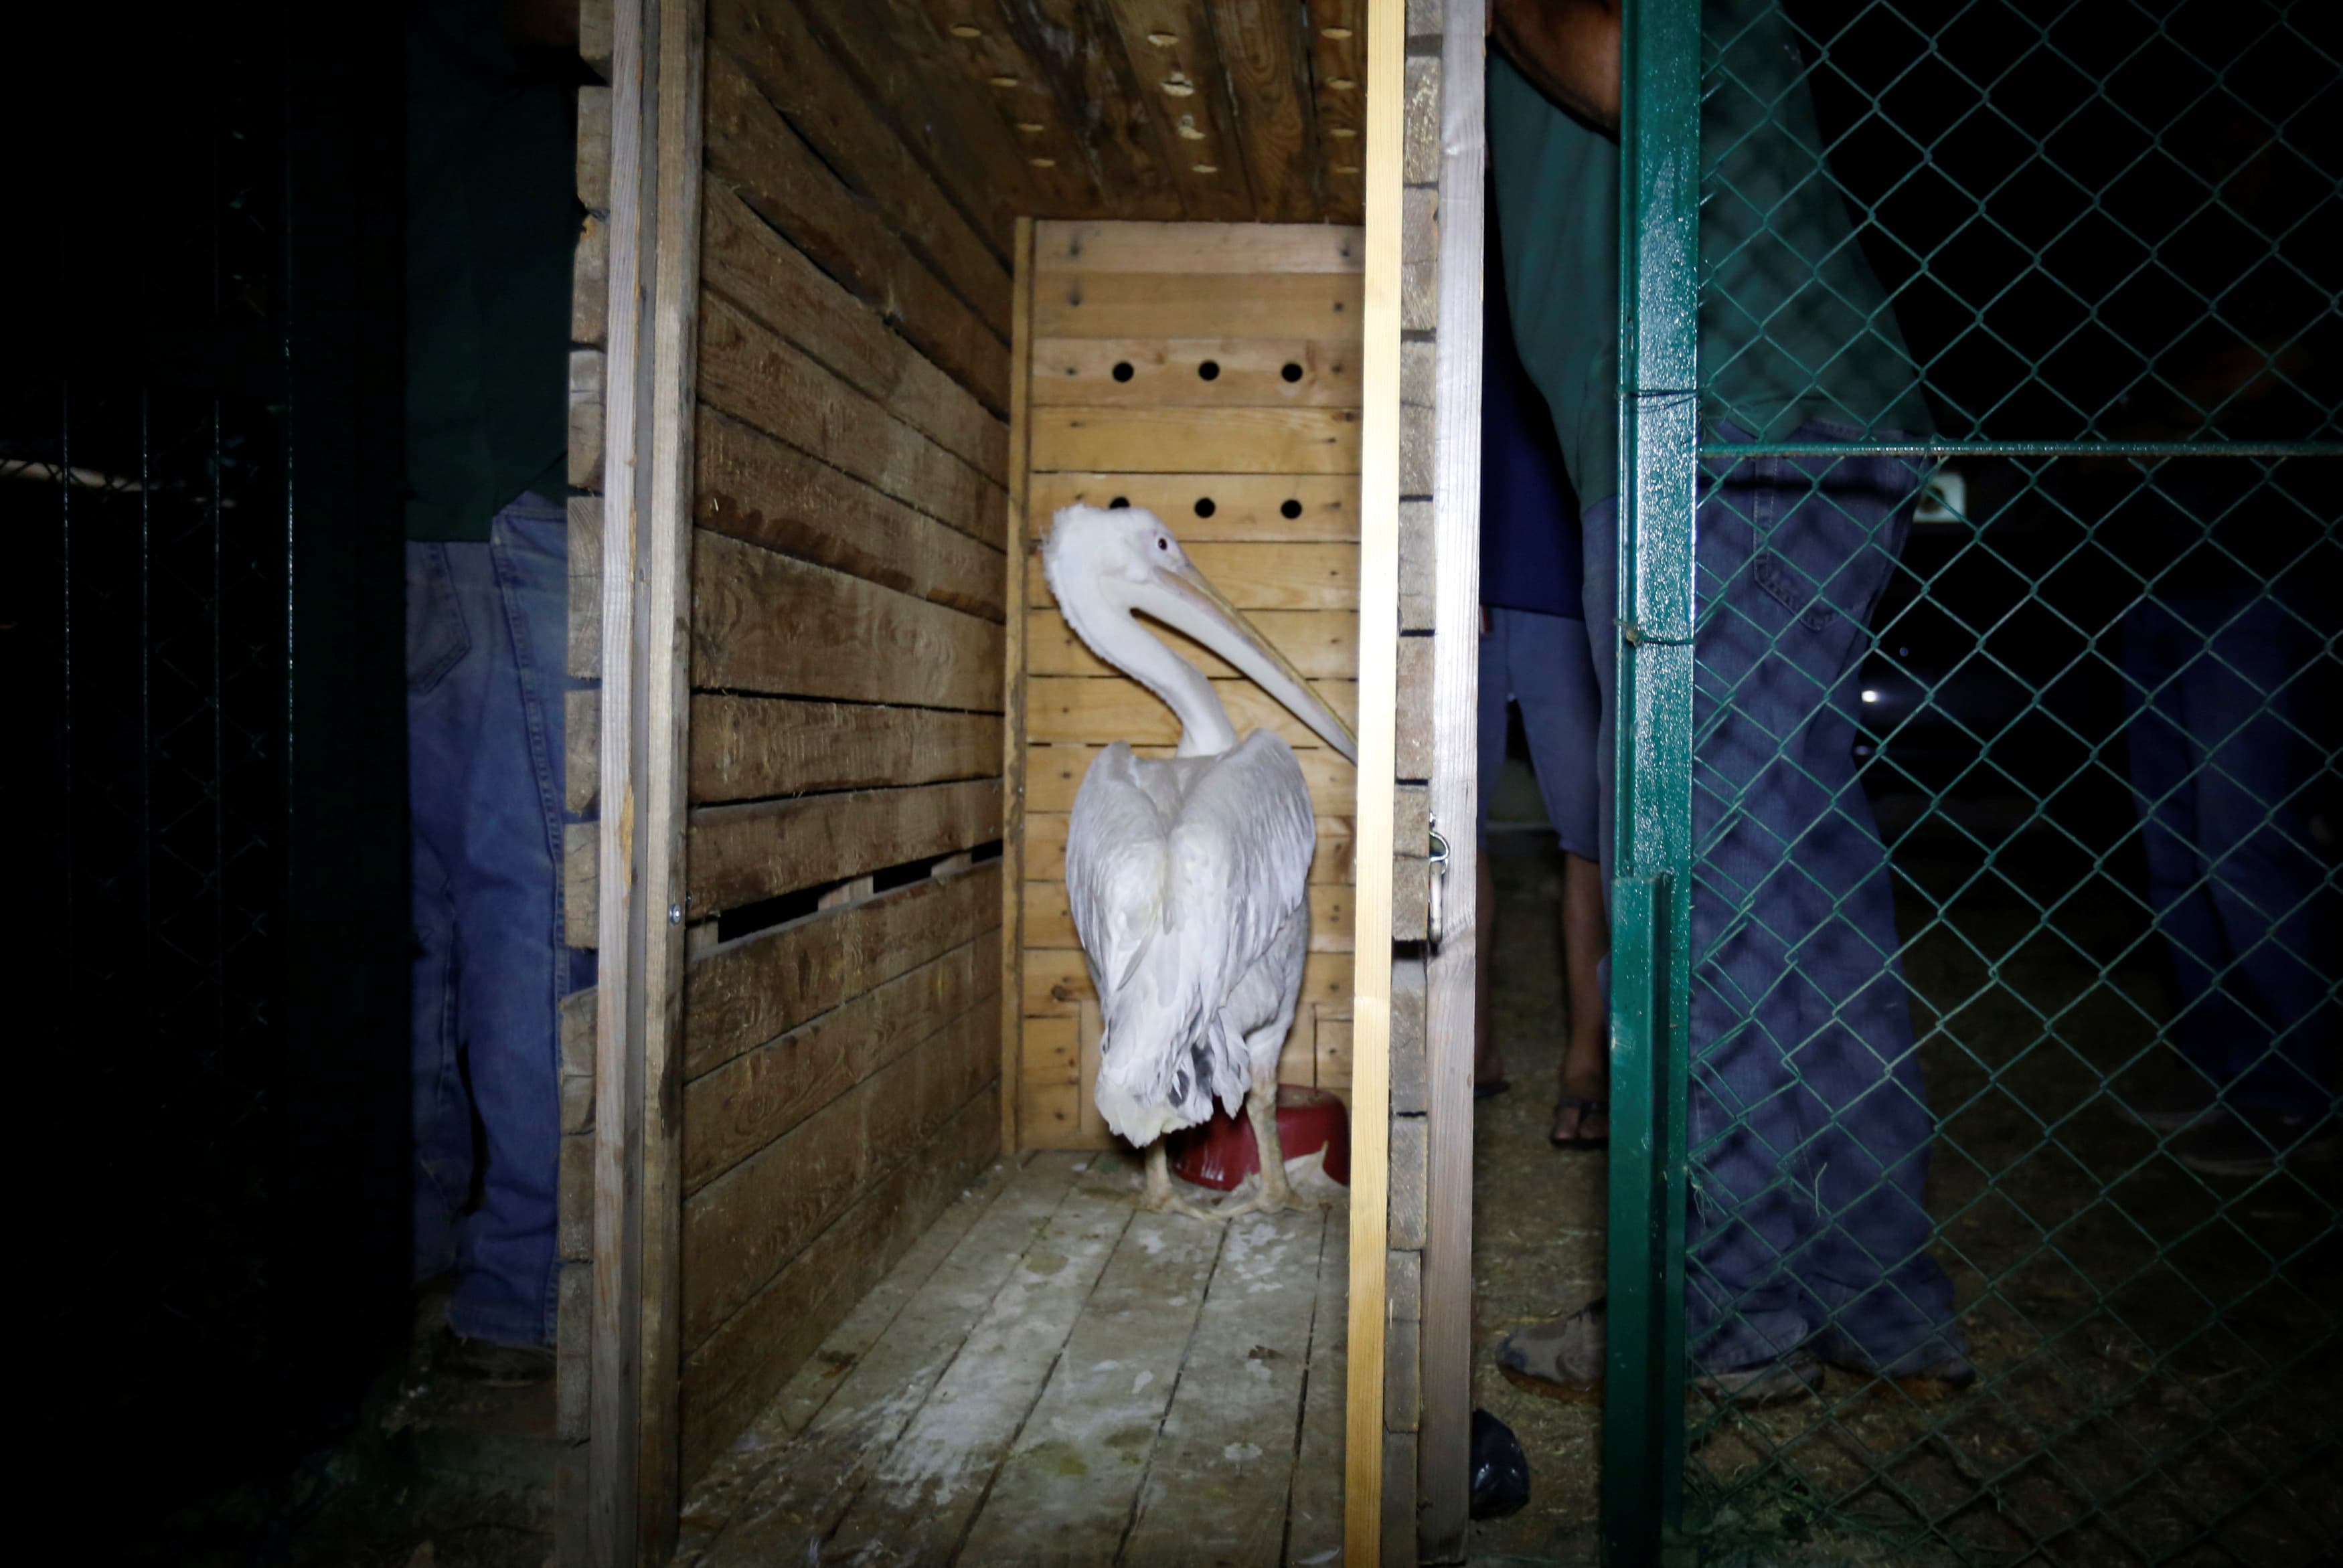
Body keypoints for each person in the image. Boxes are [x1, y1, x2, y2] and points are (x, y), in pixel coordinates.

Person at [1488, 0, 1973, 1403]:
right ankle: (1875, 1302)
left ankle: (1731, 1308)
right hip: (1771, 413)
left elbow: (1623, 67)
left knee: (1711, 889)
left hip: (1715, 421)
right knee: (1804, 890)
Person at [404, 0, 588, 1382]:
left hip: (419, 504)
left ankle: (422, 1254)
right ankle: (522, 1290)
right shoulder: (490, 54)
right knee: (532, 908)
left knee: (435, 919)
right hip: (501, 503)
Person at [1475, 195, 1613, 1151]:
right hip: (1461, 577)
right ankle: (1464, 1042)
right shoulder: (1462, 234)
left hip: (1572, 573)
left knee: (1592, 832)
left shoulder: (1588, 238)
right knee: (1450, 822)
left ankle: (1589, 1055)